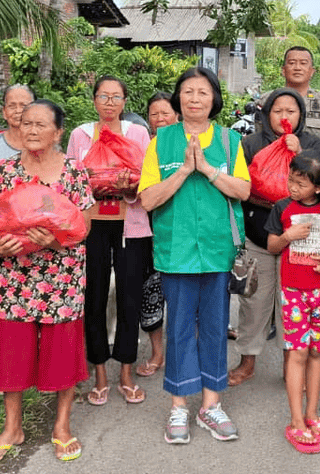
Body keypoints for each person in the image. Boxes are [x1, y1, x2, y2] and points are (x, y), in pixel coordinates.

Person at [138, 67, 251, 445]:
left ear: (214, 99)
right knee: (180, 328)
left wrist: (207, 169)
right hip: (176, 251)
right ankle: (178, 407)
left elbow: (243, 190)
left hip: (217, 251)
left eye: (203, 92)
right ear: (178, 98)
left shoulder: (229, 140)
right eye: (188, 92)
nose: (195, 98)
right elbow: (148, 199)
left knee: (217, 329)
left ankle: (211, 406)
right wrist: (185, 170)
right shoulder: (162, 141)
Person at [0, 100, 94, 463]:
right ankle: (13, 426)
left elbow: (85, 226)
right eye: (26, 123)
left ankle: (61, 426)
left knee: (62, 349)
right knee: (11, 349)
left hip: (60, 276)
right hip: (12, 276)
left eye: (40, 124)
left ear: (58, 132)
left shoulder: (74, 172)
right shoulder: (4, 170)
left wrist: (56, 240)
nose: (30, 130)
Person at [228, 87, 320, 386]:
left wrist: (299, 154)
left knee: (293, 303)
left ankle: (291, 364)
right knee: (254, 301)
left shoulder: (313, 144)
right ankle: (247, 362)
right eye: (278, 110)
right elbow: (240, 184)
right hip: (258, 233)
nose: (284, 116)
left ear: (301, 115)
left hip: (301, 238)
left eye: (291, 111)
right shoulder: (251, 143)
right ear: (267, 113)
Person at [66, 76, 153, 405]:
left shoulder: (138, 133)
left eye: (116, 96)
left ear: (124, 102)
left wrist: (131, 188)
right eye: (103, 96)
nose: (109, 102)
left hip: (130, 224)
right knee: (95, 298)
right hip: (93, 227)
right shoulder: (80, 135)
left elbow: (148, 176)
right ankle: (100, 374)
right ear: (94, 100)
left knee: (130, 297)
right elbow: (71, 180)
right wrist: (92, 185)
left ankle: (126, 374)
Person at [266, 150, 320, 454]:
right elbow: (271, 245)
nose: (292, 188)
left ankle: (312, 414)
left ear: (319, 188)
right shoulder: (282, 207)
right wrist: (288, 235)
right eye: (291, 180)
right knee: (296, 353)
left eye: (300, 184)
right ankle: (296, 420)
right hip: (294, 290)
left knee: (316, 352)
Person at [136, 91, 176, 378]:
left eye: (165, 113)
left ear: (177, 115)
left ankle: (184, 352)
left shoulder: (187, 145)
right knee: (151, 292)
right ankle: (158, 353)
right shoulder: (140, 148)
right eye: (154, 114)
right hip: (147, 229)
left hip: (181, 231)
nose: (160, 119)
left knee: (185, 294)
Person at [281, 46, 320, 136]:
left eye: (303, 63)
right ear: (283, 71)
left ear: (311, 71)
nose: (297, 68)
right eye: (292, 63)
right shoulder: (266, 100)